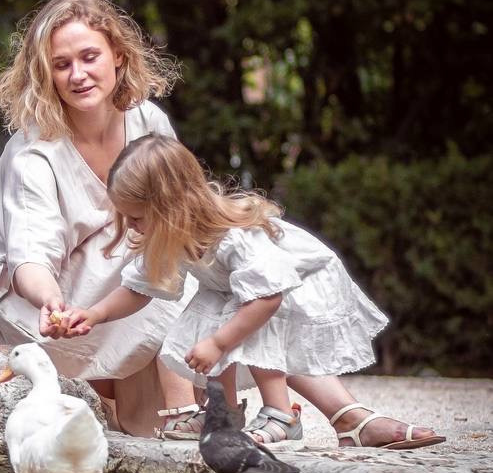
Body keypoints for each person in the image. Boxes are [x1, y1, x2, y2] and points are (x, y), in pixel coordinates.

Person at [52, 134, 445, 449]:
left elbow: (268, 297)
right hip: (249, 293)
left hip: (294, 286)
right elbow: (139, 289)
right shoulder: (173, 237)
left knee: (244, 320)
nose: (132, 227)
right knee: (205, 315)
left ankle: (281, 415)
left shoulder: (234, 238)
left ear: (171, 207)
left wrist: (220, 343)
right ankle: (223, 414)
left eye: (137, 217)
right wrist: (95, 314)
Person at [0, 0, 197, 436]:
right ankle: (170, 410)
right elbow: (31, 254)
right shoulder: (34, 154)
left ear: (117, 55)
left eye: (89, 56)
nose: (78, 75)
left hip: (100, 263)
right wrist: (49, 301)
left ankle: (175, 406)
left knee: (175, 248)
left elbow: (178, 213)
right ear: (46, 75)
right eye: (61, 65)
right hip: (18, 286)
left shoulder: (148, 122)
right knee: (141, 254)